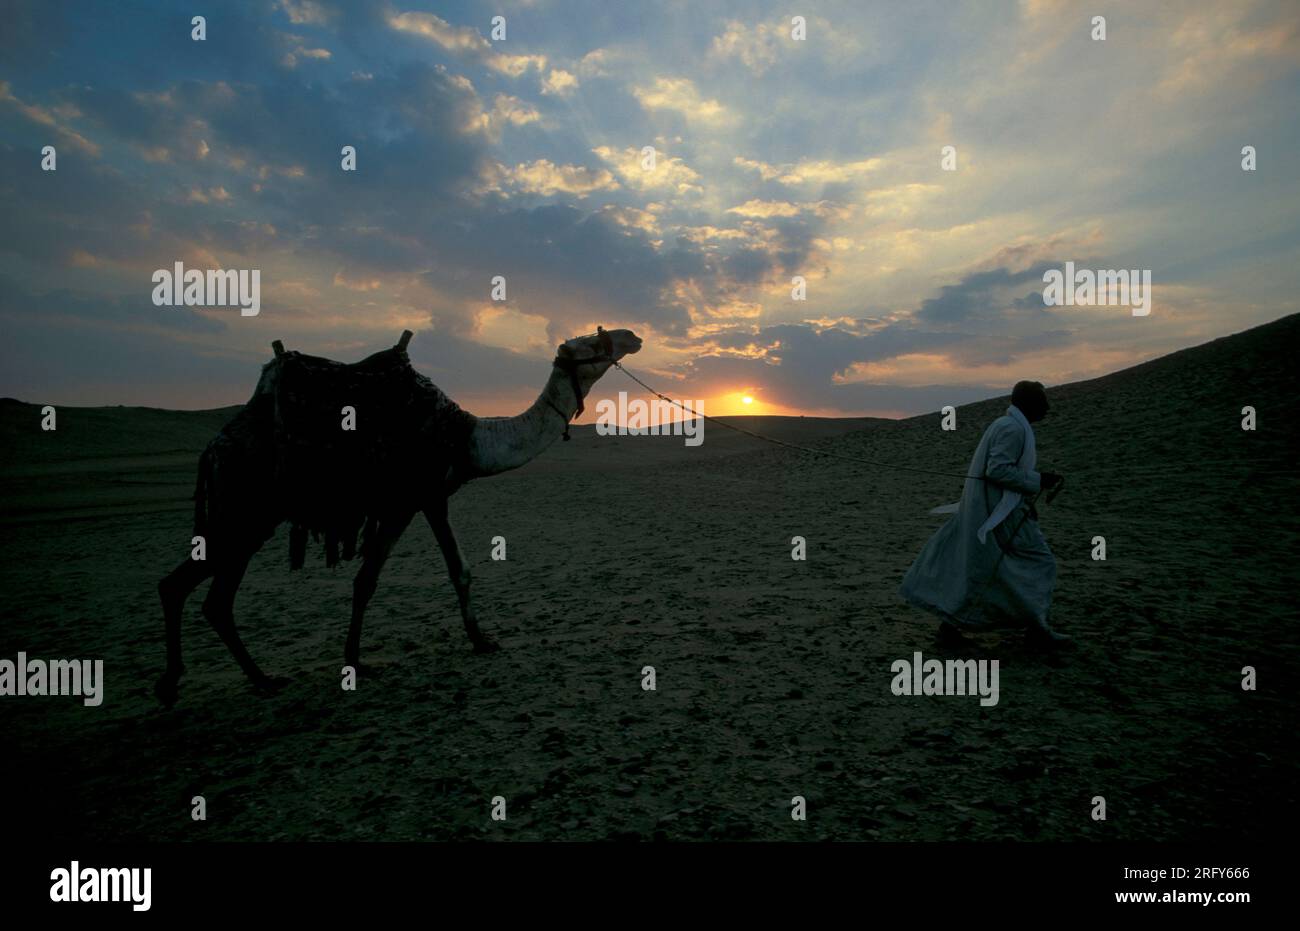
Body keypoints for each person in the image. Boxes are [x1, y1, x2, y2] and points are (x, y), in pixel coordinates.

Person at [899, 381, 1071, 647]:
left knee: (988, 565)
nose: (1047, 407)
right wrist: (1037, 481)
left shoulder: (1007, 426)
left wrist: (1029, 490)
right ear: (1028, 404)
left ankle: (1027, 624)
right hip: (996, 512)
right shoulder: (1012, 429)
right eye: (1042, 401)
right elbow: (998, 470)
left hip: (1000, 508)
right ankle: (1034, 627)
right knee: (1039, 561)